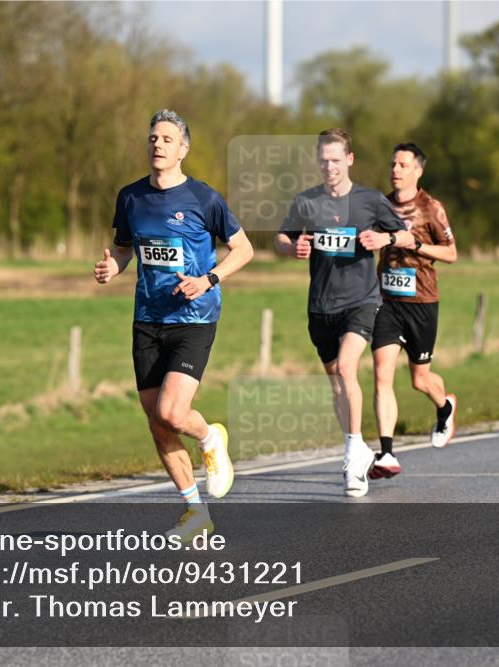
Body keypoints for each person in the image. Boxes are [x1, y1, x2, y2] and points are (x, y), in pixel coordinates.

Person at [95, 109, 253, 536]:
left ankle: (209, 439)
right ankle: (195, 513)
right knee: (155, 420)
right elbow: (124, 248)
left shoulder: (204, 198)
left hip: (194, 317)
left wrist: (208, 279)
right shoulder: (131, 197)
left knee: (172, 411)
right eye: (152, 138)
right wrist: (114, 267)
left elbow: (243, 249)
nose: (157, 145)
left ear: (183, 149)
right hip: (147, 317)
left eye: (167, 139)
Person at [275, 128, 412, 497]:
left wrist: (385, 239)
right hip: (320, 307)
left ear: (349, 160)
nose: (329, 166)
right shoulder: (306, 201)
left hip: (362, 301)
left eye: (336, 159)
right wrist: (293, 248)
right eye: (323, 160)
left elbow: (409, 237)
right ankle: (358, 445)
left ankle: (353, 460)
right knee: (336, 383)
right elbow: (282, 237)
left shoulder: (369, 201)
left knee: (349, 368)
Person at [371, 144, 458, 479]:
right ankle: (387, 454)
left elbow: (451, 253)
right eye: (393, 163)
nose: (396, 169)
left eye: (403, 164)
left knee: (420, 380)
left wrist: (417, 245)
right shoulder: (379, 204)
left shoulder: (430, 207)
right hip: (386, 303)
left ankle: (445, 406)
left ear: (417, 171)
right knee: (382, 374)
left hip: (422, 302)